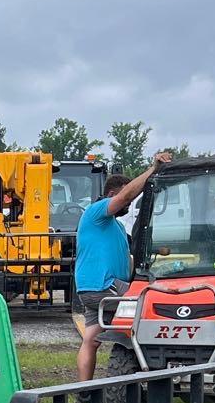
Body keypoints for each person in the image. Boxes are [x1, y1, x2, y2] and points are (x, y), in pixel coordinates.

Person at [74, 149, 175, 381]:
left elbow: (128, 259)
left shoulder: (117, 228)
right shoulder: (96, 212)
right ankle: (152, 372)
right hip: (103, 285)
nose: (129, 203)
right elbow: (125, 197)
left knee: (91, 339)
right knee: (152, 304)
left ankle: (84, 391)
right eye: (125, 196)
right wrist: (152, 170)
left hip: (94, 287)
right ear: (111, 194)